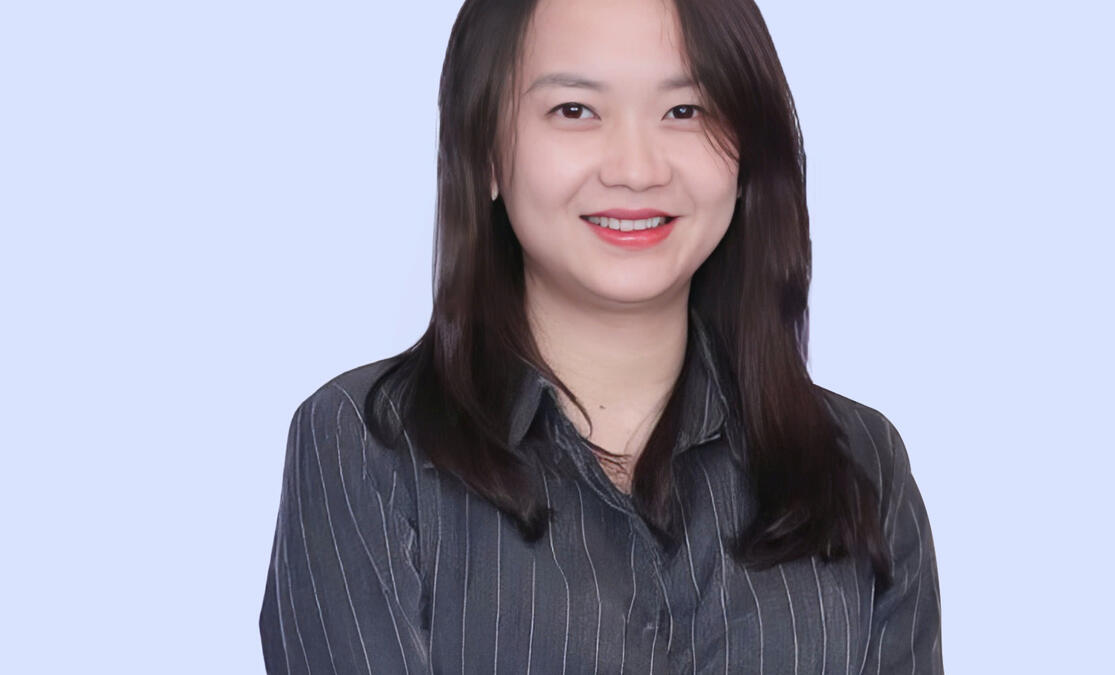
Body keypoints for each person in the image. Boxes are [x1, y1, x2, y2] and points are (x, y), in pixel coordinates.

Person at [258, 0, 943, 672]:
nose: (636, 169)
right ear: (486, 150)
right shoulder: (367, 448)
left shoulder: (859, 466)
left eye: (686, 111)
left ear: (747, 153)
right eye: (575, 110)